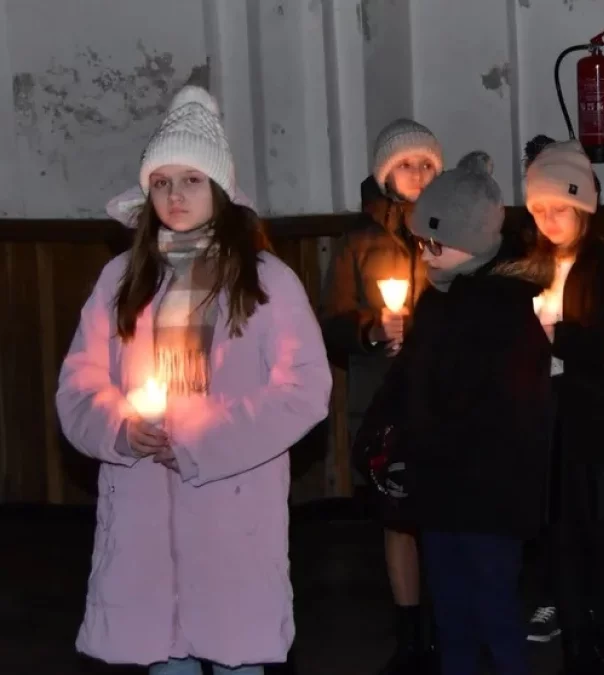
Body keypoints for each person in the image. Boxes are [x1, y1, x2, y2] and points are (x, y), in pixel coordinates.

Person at [57, 85, 332, 675]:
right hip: (143, 508)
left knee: (236, 658)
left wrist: (203, 435)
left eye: (191, 180)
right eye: (162, 182)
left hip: (232, 508)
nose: (175, 195)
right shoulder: (122, 279)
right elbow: (79, 382)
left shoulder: (265, 281)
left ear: (220, 190)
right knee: (164, 658)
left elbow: (305, 387)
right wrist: (122, 427)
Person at [383, 151, 553, 675]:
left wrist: (431, 422)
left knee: (494, 612)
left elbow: (504, 408)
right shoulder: (441, 300)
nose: (426, 255)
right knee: (452, 617)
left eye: (436, 243)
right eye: (421, 243)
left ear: (475, 241)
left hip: (489, 499)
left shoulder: (502, 309)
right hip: (443, 492)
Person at [318, 117, 441, 673]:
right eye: (406, 164)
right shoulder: (357, 241)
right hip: (383, 394)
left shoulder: (446, 229)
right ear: (385, 173)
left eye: (426, 165)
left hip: (440, 393)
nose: (417, 174)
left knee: (441, 514)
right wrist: (372, 329)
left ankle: (445, 626)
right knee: (397, 515)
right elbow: (333, 322)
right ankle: (410, 632)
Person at [522, 138, 604, 673]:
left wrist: (559, 338)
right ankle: (575, 640)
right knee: (560, 536)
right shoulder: (526, 267)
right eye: (539, 210)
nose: (549, 220)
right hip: (545, 424)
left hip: (600, 424)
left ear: (585, 206)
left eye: (560, 208)